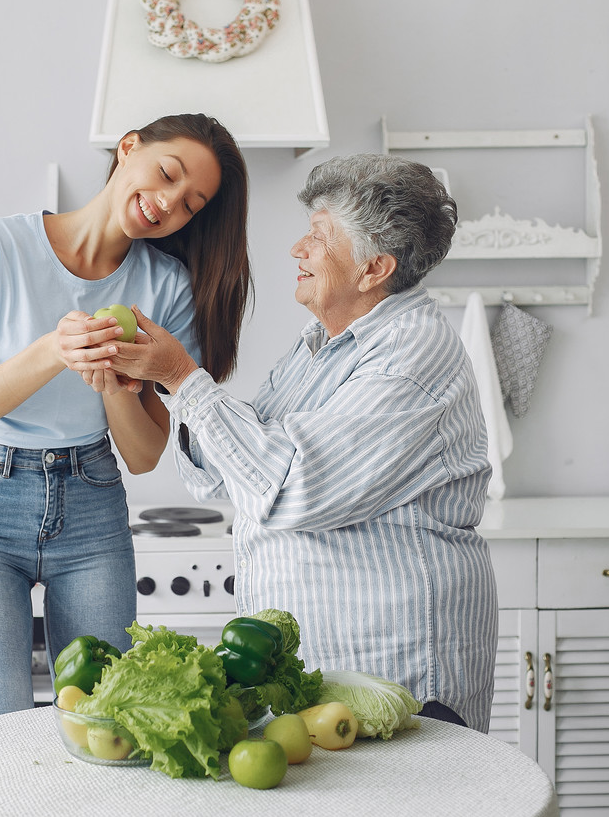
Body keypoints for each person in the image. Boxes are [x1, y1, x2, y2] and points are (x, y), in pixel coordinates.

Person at [85, 153, 498, 731]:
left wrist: (182, 377)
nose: (297, 250)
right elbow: (223, 475)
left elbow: (293, 490)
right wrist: (164, 384)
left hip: (396, 672)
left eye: (318, 238)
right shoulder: (319, 346)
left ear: (374, 268)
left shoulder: (412, 355)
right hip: (327, 672)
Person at [0, 113, 251, 724]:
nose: (168, 203)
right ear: (129, 148)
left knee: (105, 726)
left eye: (190, 203)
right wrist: (54, 349)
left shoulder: (167, 286)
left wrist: (112, 387)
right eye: (166, 174)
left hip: (93, 506)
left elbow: (144, 453)